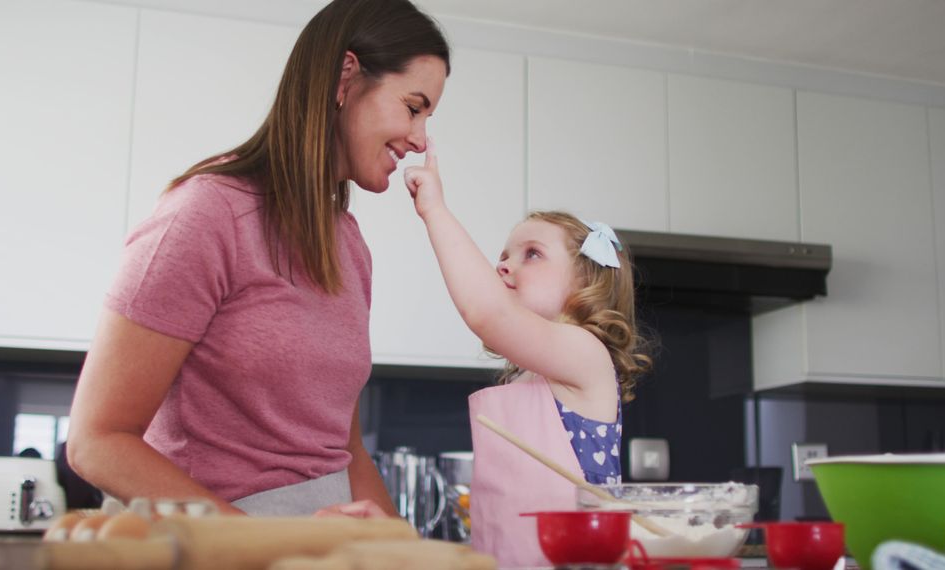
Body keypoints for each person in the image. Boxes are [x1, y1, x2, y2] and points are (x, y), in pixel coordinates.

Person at [66, 0, 450, 517]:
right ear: (345, 79)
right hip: (219, 549)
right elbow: (98, 441)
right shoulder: (208, 214)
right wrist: (270, 543)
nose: (420, 139)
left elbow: (345, 450)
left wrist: (402, 551)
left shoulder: (350, 245)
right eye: (413, 106)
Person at [404, 143, 653, 566]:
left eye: (531, 254)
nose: (502, 265)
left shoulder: (585, 352)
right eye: (502, 256)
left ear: (584, 283)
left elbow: (485, 311)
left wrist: (435, 211)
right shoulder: (525, 374)